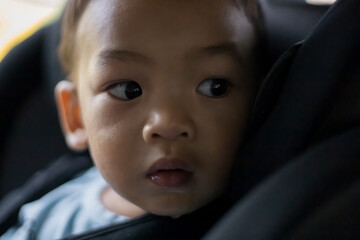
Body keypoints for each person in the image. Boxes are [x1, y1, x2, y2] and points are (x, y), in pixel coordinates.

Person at [0, 0, 264, 239]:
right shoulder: (70, 179)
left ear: (259, 99)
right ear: (77, 116)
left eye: (214, 87)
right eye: (128, 89)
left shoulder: (252, 223)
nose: (168, 124)